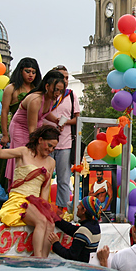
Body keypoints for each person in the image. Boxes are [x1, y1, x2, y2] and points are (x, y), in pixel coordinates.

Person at [0, 124, 60, 258]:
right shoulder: (24, 152)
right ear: (40, 140)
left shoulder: (51, 162)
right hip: (19, 199)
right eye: (49, 145)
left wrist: (44, 208)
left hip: (36, 202)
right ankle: (38, 258)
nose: (50, 149)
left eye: (53, 147)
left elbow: (45, 188)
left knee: (50, 224)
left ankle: (44, 259)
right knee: (41, 221)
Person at [5, 70, 66, 186]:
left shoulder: (51, 98)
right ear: (47, 86)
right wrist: (37, 144)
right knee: (23, 158)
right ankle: (16, 186)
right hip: (21, 129)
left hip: (35, 130)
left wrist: (56, 121)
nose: (58, 93)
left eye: (61, 91)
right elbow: (32, 128)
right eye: (56, 89)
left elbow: (44, 113)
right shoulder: (35, 100)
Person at [44, 65, 80, 212]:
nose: (64, 80)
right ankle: (42, 207)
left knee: (64, 179)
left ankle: (62, 210)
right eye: (61, 77)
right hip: (45, 141)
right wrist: (53, 121)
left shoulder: (71, 95)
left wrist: (63, 122)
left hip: (65, 142)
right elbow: (41, 112)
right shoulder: (46, 94)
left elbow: (77, 118)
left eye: (66, 77)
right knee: (43, 177)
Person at [0, 57, 42, 147]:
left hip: (36, 129)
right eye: (28, 71)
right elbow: (4, 112)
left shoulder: (37, 90)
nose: (31, 75)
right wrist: (5, 134)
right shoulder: (10, 88)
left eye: (33, 72)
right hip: (18, 128)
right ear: (20, 71)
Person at [48, 196, 101, 263]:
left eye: (80, 205)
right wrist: (55, 218)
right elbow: (71, 229)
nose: (77, 207)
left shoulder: (84, 230)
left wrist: (55, 243)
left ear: (83, 211)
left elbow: (70, 255)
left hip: (80, 269)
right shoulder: (95, 226)